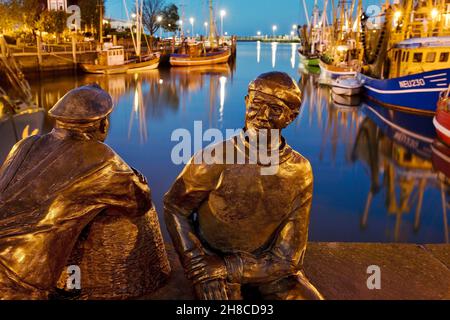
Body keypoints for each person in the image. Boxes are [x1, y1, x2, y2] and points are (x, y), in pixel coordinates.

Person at [0, 84, 170, 299]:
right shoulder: (101, 158)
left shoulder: (24, 145)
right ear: (102, 124)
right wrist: (137, 177)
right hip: (20, 272)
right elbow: (139, 202)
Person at [164, 72, 324, 300]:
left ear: (291, 116)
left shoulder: (300, 171)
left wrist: (231, 267)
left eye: (275, 109)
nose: (263, 115)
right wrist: (197, 263)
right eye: (257, 104)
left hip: (266, 266)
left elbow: (289, 258)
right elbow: (175, 207)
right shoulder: (215, 157)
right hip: (213, 259)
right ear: (247, 102)